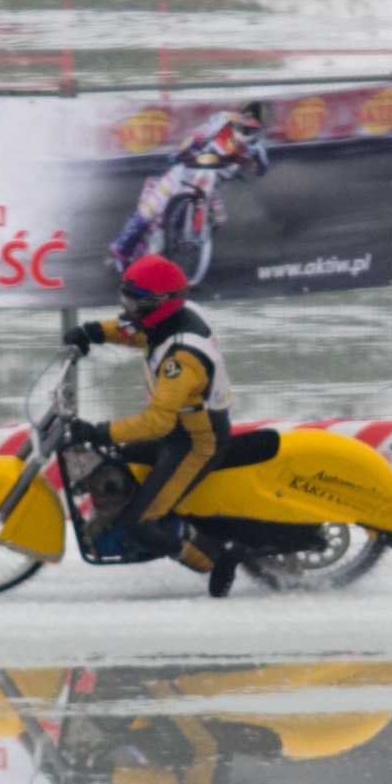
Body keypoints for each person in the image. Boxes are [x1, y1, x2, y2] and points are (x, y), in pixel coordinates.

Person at [63, 252, 239, 598]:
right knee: (117, 461)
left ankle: (217, 560)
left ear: (158, 305)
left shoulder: (181, 359)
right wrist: (91, 332)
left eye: (134, 302)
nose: (126, 309)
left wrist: (98, 430)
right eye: (124, 299)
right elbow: (133, 330)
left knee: (138, 525)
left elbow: (158, 422)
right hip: (180, 432)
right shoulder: (166, 321)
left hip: (195, 443)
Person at [109, 101, 269, 273]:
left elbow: (261, 170)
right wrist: (181, 152)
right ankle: (121, 251)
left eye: (252, 129)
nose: (245, 133)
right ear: (238, 118)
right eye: (244, 126)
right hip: (187, 171)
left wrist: (256, 158)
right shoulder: (222, 119)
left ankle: (191, 250)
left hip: (210, 184)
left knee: (219, 219)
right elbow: (197, 136)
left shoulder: (257, 145)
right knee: (150, 209)